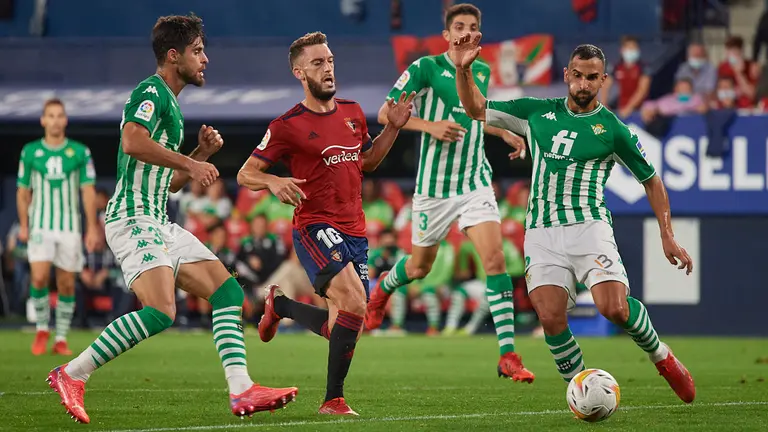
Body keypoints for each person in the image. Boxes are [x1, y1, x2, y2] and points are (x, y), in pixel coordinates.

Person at [45, 14, 298, 424]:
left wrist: (198, 157)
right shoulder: (151, 91)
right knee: (162, 311)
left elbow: (171, 184)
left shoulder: (174, 108)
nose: (206, 59)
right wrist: (189, 161)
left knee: (228, 294)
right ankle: (71, 373)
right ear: (173, 55)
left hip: (158, 218)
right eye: (198, 51)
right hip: (131, 217)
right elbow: (132, 140)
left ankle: (241, 390)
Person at [454, 33, 696, 404]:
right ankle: (583, 391)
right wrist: (464, 70)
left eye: (592, 77)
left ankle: (662, 356)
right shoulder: (534, 112)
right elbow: (475, 108)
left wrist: (667, 234)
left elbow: (652, 180)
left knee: (613, 308)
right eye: (578, 75)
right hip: (542, 231)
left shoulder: (612, 129)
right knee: (550, 317)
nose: (584, 84)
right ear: (567, 74)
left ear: (603, 80)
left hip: (589, 228)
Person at [236, 31, 414, 416]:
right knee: (352, 301)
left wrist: (393, 129)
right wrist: (273, 180)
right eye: (318, 63)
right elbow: (245, 174)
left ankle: (280, 305)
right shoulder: (287, 125)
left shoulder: (352, 113)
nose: (328, 68)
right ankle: (333, 400)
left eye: (330, 60)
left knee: (346, 324)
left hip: (355, 230)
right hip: (314, 225)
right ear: (300, 73)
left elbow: (366, 162)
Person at [365, 3, 534, 383]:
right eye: (459, 26)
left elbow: (477, 113)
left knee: (494, 261)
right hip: (434, 190)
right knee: (419, 267)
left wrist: (503, 130)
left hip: (475, 182)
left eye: (472, 27)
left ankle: (508, 353)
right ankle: (380, 295)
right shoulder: (425, 68)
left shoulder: (484, 71)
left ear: (478, 35)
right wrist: (429, 126)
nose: (465, 32)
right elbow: (383, 113)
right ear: (446, 34)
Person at [16, 98, 100, 356]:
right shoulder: (30, 152)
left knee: (66, 283)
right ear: (43, 120)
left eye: (59, 115)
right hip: (41, 224)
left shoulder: (80, 152)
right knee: (39, 276)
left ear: (65, 120)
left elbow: (87, 191)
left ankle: (61, 337)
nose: (54, 120)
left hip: (70, 227)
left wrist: (92, 227)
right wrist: (24, 225)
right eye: (50, 115)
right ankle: (42, 328)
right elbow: (22, 191)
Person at [600, 35, 651, 118]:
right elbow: (605, 86)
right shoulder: (616, 67)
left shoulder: (644, 68)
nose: (631, 51)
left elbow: (642, 90)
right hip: (622, 107)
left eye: (633, 48)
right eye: (629, 48)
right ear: (622, 50)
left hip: (642, 108)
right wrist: (604, 104)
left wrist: (629, 108)